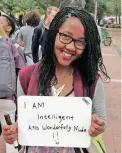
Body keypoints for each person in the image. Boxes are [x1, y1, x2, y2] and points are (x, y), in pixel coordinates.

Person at [2, 7, 110, 153]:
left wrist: (98, 126)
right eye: (65, 36)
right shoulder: (26, 76)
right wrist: (13, 132)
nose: (71, 46)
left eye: (80, 42)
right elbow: (24, 122)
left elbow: (101, 121)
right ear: (53, 34)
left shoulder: (92, 80)